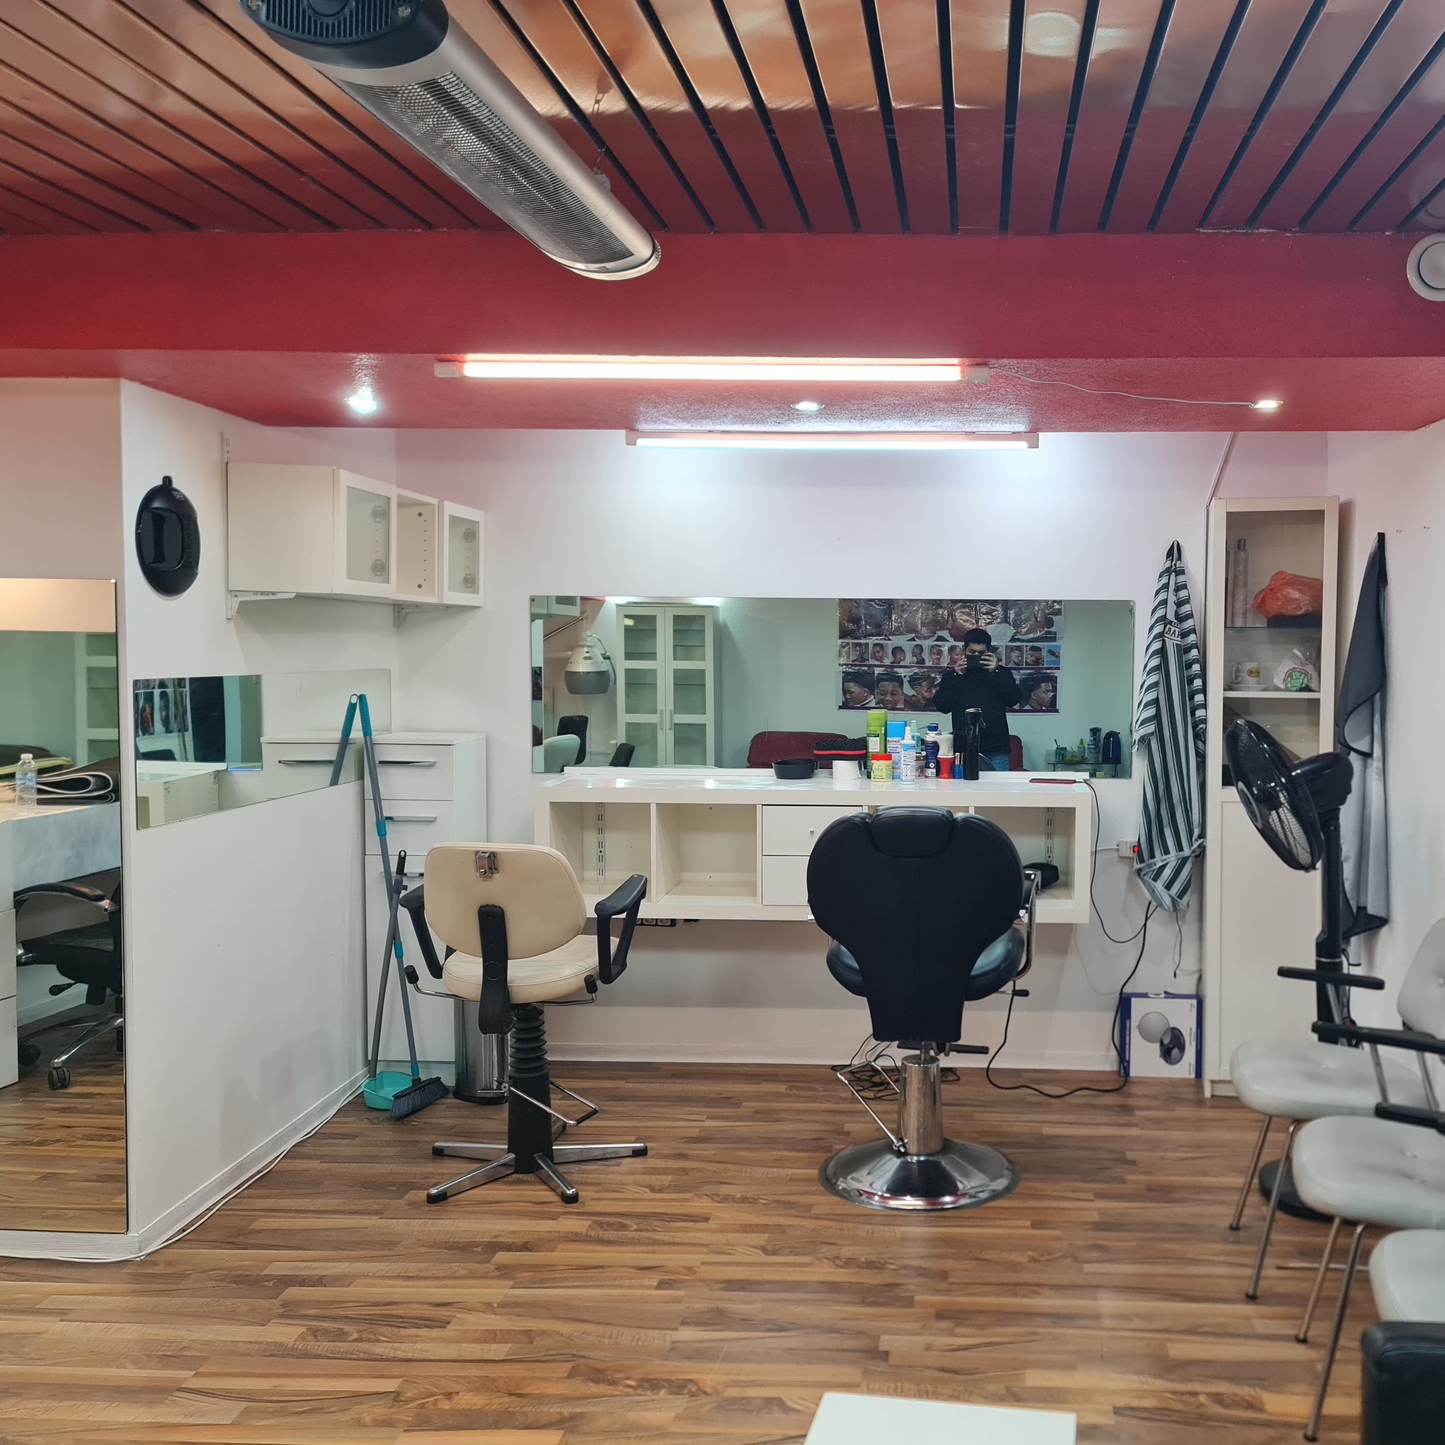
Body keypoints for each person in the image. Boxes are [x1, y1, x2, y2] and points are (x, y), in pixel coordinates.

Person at [932, 629, 1020, 770]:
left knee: (998, 785)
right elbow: (942, 706)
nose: (976, 656)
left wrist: (995, 672)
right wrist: (957, 677)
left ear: (989, 652)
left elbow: (1013, 699)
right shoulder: (952, 676)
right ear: (964, 650)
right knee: (962, 784)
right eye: (972, 652)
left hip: (996, 747)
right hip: (963, 748)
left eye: (981, 653)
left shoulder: (1001, 673)